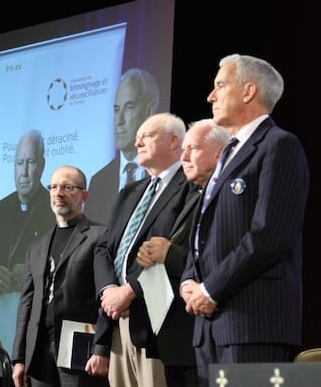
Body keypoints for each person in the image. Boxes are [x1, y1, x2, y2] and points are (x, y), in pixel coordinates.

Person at [180, 54, 310, 387]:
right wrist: (189, 282)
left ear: (248, 91)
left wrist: (210, 289)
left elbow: (268, 235)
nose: (210, 96)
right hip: (210, 325)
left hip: (252, 324)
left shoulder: (279, 145)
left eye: (220, 85)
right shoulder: (227, 152)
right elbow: (203, 233)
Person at [92, 112, 193, 387]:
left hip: (157, 323)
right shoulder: (130, 192)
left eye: (146, 136)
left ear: (174, 141)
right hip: (117, 320)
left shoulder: (191, 187)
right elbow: (103, 248)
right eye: (136, 138)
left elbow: (175, 248)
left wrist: (130, 290)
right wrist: (108, 291)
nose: (137, 144)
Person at [135, 118, 230, 387]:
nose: (184, 157)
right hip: (177, 337)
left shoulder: (224, 197)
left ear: (220, 152)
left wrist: (169, 254)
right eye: (184, 149)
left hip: (206, 327)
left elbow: (222, 258)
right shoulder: (197, 195)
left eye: (193, 149)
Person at [11, 165, 110, 387]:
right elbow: (26, 304)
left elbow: (106, 296)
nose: (58, 193)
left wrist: (101, 348)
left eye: (67, 187)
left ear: (84, 195)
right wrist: (19, 358)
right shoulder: (36, 246)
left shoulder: (99, 236)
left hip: (81, 345)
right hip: (39, 350)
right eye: (53, 187)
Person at [0, 128, 54, 352]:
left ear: (41, 166)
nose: (23, 172)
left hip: (37, 315)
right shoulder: (0, 210)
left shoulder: (54, 208)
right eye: (18, 162)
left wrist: (32, 273)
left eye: (30, 162)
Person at [84, 68, 160, 224]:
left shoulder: (165, 173)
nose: (119, 120)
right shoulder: (98, 182)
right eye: (116, 109)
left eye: (129, 107)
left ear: (149, 110)